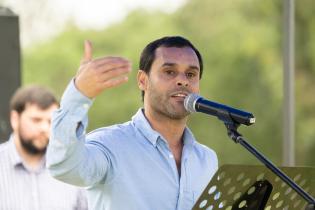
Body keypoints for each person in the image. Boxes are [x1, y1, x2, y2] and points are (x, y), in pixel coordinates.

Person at [47, 36, 218, 210]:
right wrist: (79, 95)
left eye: (191, 74)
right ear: (143, 80)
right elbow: (64, 167)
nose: (183, 80)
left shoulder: (207, 159)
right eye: (169, 72)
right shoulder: (109, 145)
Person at [0, 85, 87, 210]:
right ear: (15, 119)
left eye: (50, 121)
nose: (45, 128)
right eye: (36, 120)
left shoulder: (70, 167)